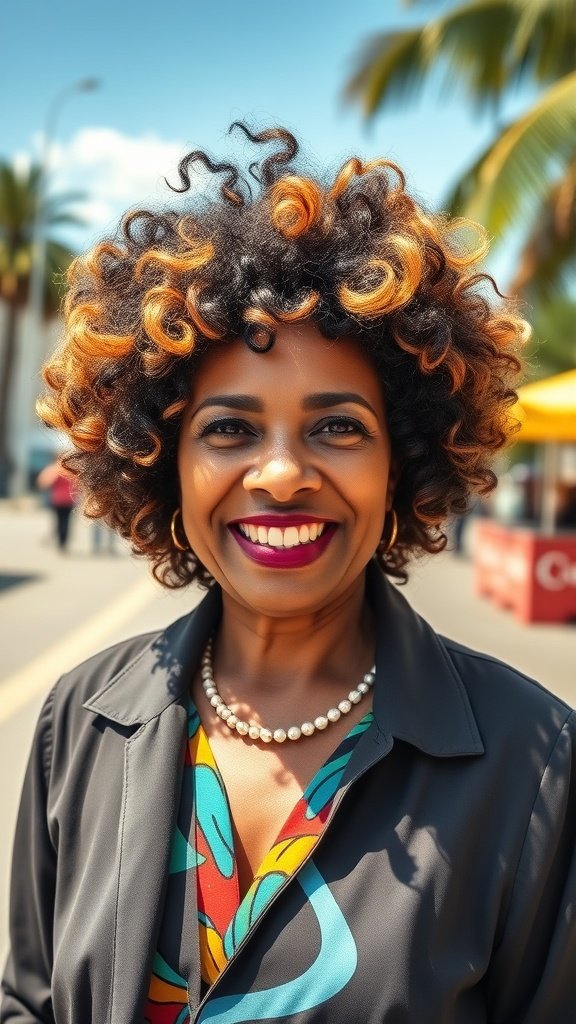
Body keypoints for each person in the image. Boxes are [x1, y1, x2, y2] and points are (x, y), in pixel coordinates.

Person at [2, 125, 575, 1024]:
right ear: (164, 462)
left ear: (405, 463)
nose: (279, 474)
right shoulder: (78, 722)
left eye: (338, 427)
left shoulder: (535, 764)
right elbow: (30, 1002)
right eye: (229, 428)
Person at [36, 457, 77, 551]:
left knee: (59, 521)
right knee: (66, 521)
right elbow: (77, 485)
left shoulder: (54, 469)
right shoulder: (71, 470)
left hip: (58, 499)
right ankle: (63, 541)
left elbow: (44, 482)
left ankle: (61, 541)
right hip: (68, 500)